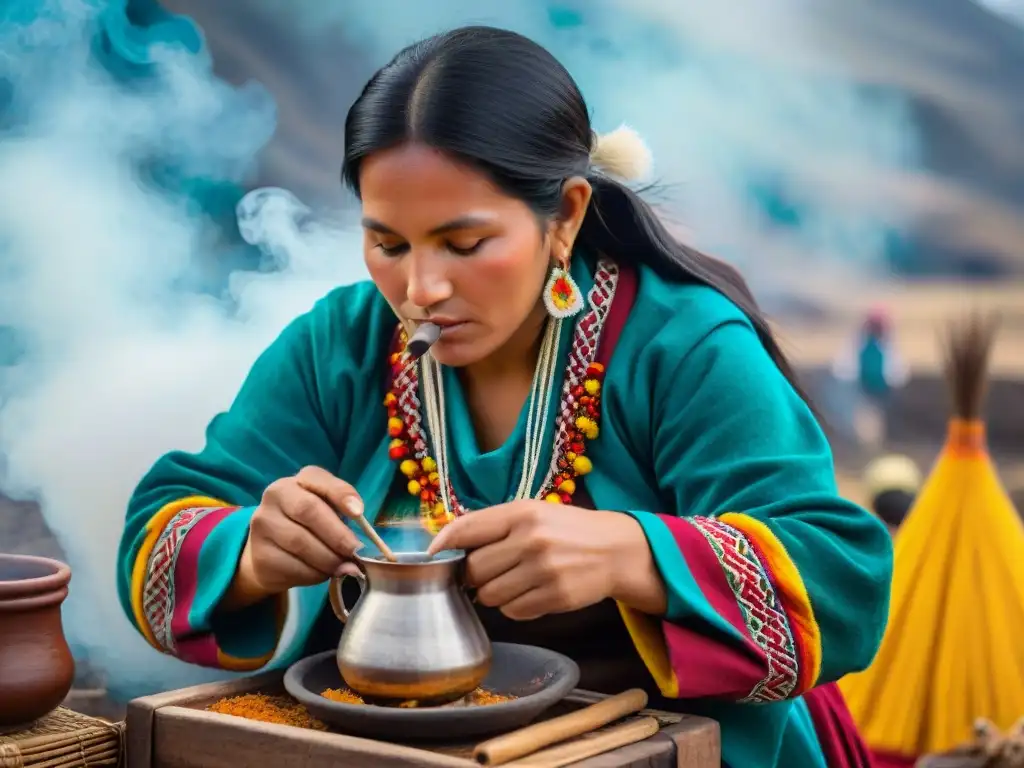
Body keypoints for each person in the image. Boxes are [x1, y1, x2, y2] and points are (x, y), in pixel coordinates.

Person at [116, 26, 893, 768]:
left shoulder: (682, 345)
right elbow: (155, 545)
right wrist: (251, 550)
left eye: (464, 244)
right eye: (388, 243)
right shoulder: (339, 349)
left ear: (567, 217)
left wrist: (633, 554)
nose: (420, 290)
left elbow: (844, 579)